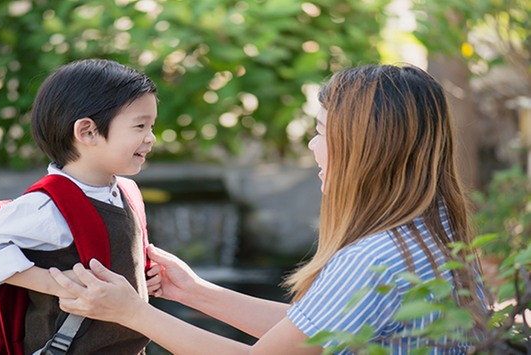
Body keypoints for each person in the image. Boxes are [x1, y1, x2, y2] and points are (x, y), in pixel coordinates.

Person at [49, 64, 487, 354]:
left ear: (364, 147)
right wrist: (193, 291)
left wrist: (131, 312)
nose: (314, 147)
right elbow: (311, 331)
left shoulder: (372, 258)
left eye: (320, 132)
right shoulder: (430, 232)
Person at [0, 58, 161, 355]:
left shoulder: (124, 191)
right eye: (140, 126)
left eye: (152, 125)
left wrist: (144, 276)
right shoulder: (50, 205)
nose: (151, 137)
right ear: (88, 132)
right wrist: (60, 285)